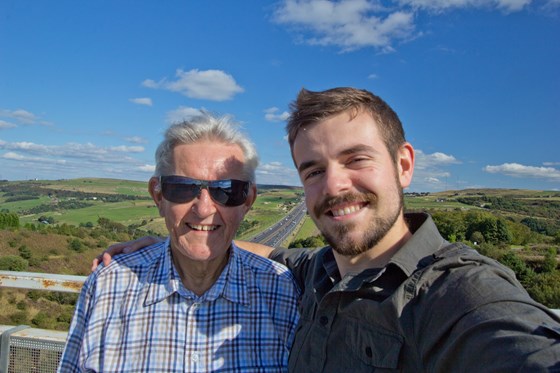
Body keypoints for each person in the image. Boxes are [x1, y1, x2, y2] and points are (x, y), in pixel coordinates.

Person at [96, 88, 560, 372]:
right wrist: (181, 238)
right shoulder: (315, 274)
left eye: (356, 159)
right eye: (312, 170)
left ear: (403, 165)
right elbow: (258, 252)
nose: (334, 185)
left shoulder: (458, 295)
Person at [60, 113, 300, 372]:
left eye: (227, 190)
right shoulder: (108, 286)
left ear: (248, 200)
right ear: (158, 196)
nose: (204, 209)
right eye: (183, 188)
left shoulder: (282, 291)